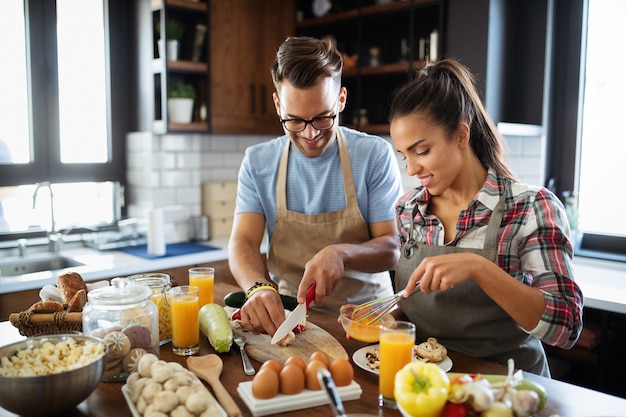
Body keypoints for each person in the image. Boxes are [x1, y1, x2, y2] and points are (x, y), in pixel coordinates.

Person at [385, 59, 583, 376]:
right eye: (404, 155)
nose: (410, 169)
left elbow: (566, 327)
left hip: (507, 393)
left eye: (421, 151)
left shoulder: (530, 207)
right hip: (426, 386)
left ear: (461, 136)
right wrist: (383, 318)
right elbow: (413, 309)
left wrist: (479, 268)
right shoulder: (408, 211)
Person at [228, 36, 404, 337]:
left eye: (323, 118)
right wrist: (258, 287)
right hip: (289, 321)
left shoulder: (373, 155)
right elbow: (242, 242)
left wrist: (341, 254)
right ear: (277, 103)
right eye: (294, 121)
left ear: (341, 100)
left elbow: (392, 247)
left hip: (365, 322)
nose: (310, 134)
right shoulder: (258, 162)